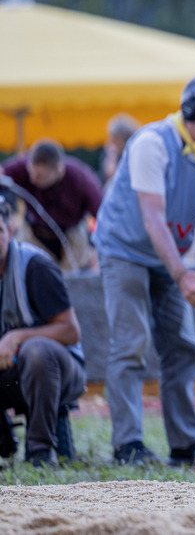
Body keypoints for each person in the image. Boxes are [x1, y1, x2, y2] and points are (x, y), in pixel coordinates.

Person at [92, 74, 195, 466]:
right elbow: (153, 219)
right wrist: (183, 274)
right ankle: (128, 446)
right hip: (125, 251)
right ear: (191, 106)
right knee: (131, 343)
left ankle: (187, 445)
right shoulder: (151, 143)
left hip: (167, 258)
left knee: (183, 347)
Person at [0, 200, 86, 467]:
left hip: (57, 372)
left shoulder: (35, 266)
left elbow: (71, 332)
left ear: (10, 231)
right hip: (7, 377)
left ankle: (40, 451)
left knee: (37, 350)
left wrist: (16, 338)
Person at [0, 139, 104, 271]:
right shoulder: (23, 168)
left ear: (59, 170)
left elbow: (102, 215)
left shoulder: (82, 180)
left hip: (71, 236)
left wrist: (97, 248)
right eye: (31, 172)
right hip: (34, 233)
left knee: (72, 280)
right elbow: (2, 174)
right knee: (27, 269)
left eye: (40, 176)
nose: (32, 179)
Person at [101, 114, 141, 184]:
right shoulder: (113, 153)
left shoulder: (135, 154)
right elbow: (109, 174)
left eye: (114, 139)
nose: (111, 142)